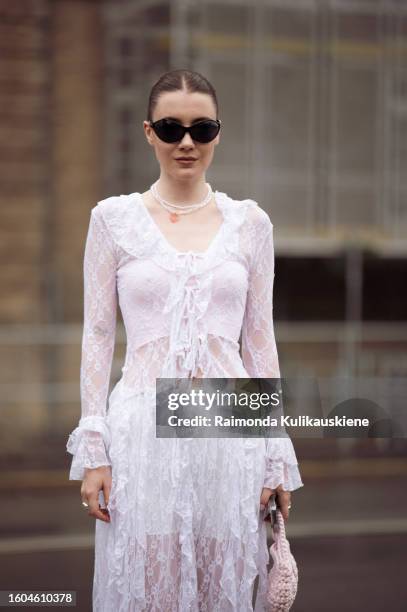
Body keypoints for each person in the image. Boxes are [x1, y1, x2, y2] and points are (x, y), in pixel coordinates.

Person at [66, 69, 304, 611]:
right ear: (149, 133)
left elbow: (260, 342)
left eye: (202, 128)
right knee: (146, 585)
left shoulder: (251, 224)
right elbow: (99, 334)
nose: (187, 142)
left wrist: (274, 454)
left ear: (219, 133)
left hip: (229, 431)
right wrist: (95, 447)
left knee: (223, 586)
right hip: (140, 434)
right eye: (171, 129)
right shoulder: (113, 220)